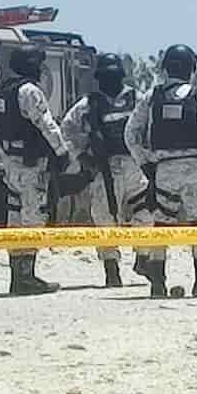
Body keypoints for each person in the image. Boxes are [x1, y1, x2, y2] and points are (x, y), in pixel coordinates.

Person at [124, 44, 197, 299]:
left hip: (164, 170)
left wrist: (147, 164)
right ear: (191, 69)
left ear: (166, 68)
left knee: (161, 225)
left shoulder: (151, 97)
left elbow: (131, 134)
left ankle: (158, 284)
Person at [60, 53, 152, 287]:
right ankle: (111, 269)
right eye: (105, 76)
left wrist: (149, 156)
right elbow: (66, 131)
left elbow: (151, 126)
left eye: (113, 75)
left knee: (146, 212)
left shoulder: (137, 99)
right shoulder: (88, 105)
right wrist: (82, 156)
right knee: (104, 219)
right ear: (99, 78)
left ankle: (143, 257)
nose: (110, 80)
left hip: (134, 166)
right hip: (104, 169)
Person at [0, 42, 71, 296]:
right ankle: (27, 278)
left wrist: (5, 156)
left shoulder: (3, 90)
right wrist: (62, 152)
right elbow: (46, 124)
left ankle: (16, 278)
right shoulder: (29, 91)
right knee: (33, 217)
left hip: (12, 165)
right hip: (31, 166)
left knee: (14, 217)